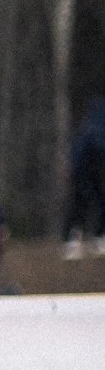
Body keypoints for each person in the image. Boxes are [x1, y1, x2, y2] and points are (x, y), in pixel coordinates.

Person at [67, 97, 105, 258]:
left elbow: (76, 151)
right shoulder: (91, 130)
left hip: (87, 172)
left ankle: (79, 241)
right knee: (83, 203)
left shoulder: (87, 129)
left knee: (82, 204)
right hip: (88, 171)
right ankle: (83, 240)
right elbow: (79, 150)